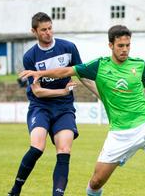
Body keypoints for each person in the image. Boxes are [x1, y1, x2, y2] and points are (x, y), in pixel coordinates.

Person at [20, 25, 145, 196]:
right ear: (111, 45)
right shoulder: (99, 66)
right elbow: (67, 71)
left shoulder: (139, 65)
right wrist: (40, 74)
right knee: (96, 183)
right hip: (119, 134)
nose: (125, 50)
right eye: (120, 46)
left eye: (128, 45)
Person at [8, 12, 99, 196]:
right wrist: (63, 91)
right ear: (34, 31)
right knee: (37, 147)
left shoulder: (69, 47)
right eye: (43, 30)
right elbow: (37, 91)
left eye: (50, 28)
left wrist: (103, 97)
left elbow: (83, 76)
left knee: (64, 150)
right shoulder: (30, 57)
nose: (48, 33)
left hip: (64, 108)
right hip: (40, 106)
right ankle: (15, 190)